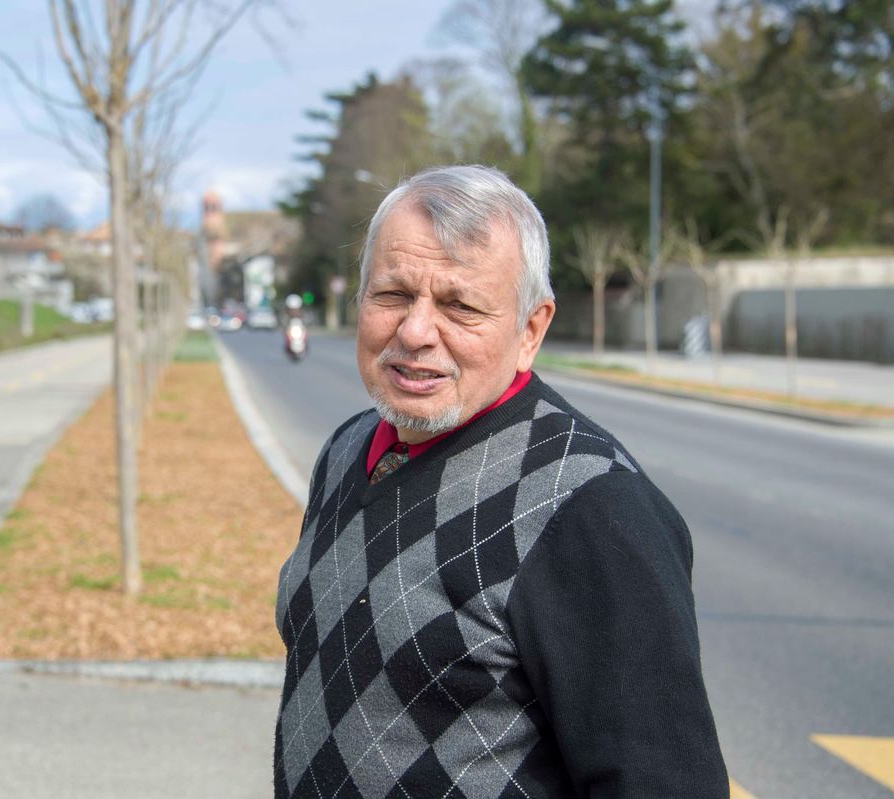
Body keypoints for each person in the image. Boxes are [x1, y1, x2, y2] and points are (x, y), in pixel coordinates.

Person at [273, 165, 728, 798]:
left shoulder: (592, 509)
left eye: (460, 305)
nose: (415, 331)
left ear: (531, 330)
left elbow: (663, 782)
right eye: (392, 295)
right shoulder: (348, 449)